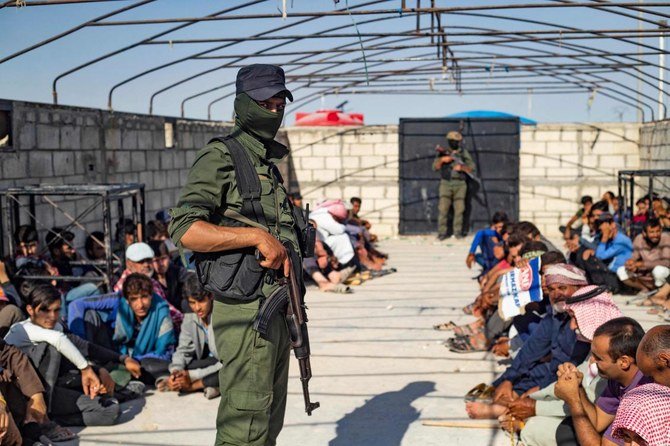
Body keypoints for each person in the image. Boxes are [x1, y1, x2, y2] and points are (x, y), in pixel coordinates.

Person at [168, 64, 306, 445]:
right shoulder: (222, 156)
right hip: (246, 312)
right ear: (244, 105)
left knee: (267, 420)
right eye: (266, 102)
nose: (274, 111)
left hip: (276, 307)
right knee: (244, 426)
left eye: (280, 102)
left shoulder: (265, 161)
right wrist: (255, 237)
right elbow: (185, 229)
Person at [465, 264, 591, 419]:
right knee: (521, 380)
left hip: (579, 376)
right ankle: (511, 400)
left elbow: (574, 364)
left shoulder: (589, 314)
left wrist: (540, 390)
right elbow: (533, 348)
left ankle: (508, 408)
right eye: (551, 289)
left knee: (545, 396)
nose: (556, 294)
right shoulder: (558, 311)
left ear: (579, 288)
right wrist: (508, 380)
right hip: (555, 368)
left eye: (562, 288)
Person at [4, 282, 125, 426]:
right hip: (31, 394)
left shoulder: (55, 326)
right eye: (45, 310)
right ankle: (47, 419)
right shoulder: (21, 329)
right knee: (53, 347)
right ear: (30, 310)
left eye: (56, 310)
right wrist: (86, 369)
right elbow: (58, 339)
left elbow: (83, 346)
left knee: (110, 409)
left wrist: (117, 360)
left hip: (57, 385)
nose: (52, 316)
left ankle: (59, 418)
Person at [554, 317, 651, 446]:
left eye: (598, 358)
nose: (592, 361)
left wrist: (573, 400)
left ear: (624, 362)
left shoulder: (641, 397)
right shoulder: (618, 380)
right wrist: (577, 387)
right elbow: (598, 422)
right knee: (566, 431)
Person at [68, 273, 176, 386]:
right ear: (127, 300)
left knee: (163, 365)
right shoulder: (118, 299)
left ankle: (116, 376)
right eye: (134, 299)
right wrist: (80, 347)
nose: (140, 305)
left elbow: (164, 353)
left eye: (144, 297)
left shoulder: (162, 311)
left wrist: (130, 360)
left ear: (151, 296)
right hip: (111, 353)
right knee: (90, 315)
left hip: (141, 359)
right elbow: (75, 305)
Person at [166, 274, 221, 399]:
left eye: (201, 301)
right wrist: (176, 372)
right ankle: (212, 385)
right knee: (169, 366)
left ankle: (196, 386)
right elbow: (183, 349)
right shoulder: (190, 315)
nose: (197, 307)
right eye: (192, 302)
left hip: (227, 365)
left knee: (230, 372)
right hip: (210, 362)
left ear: (211, 296)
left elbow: (229, 364)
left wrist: (193, 376)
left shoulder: (221, 316)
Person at [433, 130, 475, 240]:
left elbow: (472, 168)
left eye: (457, 141)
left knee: (459, 209)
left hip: (460, 184)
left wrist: (462, 168)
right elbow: (435, 167)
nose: (455, 143)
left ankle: (458, 232)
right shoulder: (442, 153)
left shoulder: (463, 153)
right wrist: (442, 160)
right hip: (446, 183)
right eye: (453, 141)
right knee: (443, 209)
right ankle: (442, 233)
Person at [616, 218, 670, 295]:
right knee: (621, 271)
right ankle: (645, 289)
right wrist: (630, 263)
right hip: (644, 274)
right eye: (651, 232)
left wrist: (641, 264)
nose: (655, 235)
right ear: (644, 233)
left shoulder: (666, 238)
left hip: (660, 275)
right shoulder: (639, 238)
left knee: (659, 271)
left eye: (658, 231)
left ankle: (660, 293)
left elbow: (666, 262)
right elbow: (634, 257)